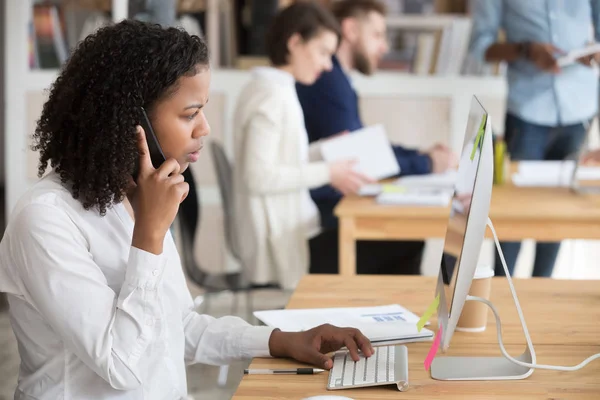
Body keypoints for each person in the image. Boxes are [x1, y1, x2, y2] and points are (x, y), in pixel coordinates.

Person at [0, 20, 374, 399]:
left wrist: (281, 341)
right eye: (189, 113)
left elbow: (179, 328)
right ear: (133, 121)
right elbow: (121, 363)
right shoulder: (45, 218)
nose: (205, 129)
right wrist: (148, 235)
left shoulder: (133, 196)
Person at [296, 0, 456, 276]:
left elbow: (367, 146)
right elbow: (363, 159)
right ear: (351, 29)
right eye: (377, 35)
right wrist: (427, 162)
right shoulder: (329, 82)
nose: (384, 47)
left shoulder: (337, 81)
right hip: (322, 221)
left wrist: (422, 156)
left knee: (413, 232)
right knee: (409, 235)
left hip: (326, 209)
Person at [233, 2, 373, 290]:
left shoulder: (276, 88)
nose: (327, 65)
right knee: (390, 246)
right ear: (295, 42)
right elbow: (258, 176)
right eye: (322, 52)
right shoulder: (270, 95)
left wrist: (322, 150)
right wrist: (328, 171)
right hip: (279, 240)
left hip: (289, 228)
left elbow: (281, 160)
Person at [469, 0, 600, 278]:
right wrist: (525, 50)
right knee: (512, 212)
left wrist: (592, 52)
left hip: (580, 109)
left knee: (558, 213)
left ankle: (544, 288)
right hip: (528, 111)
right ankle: (503, 292)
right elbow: (482, 46)